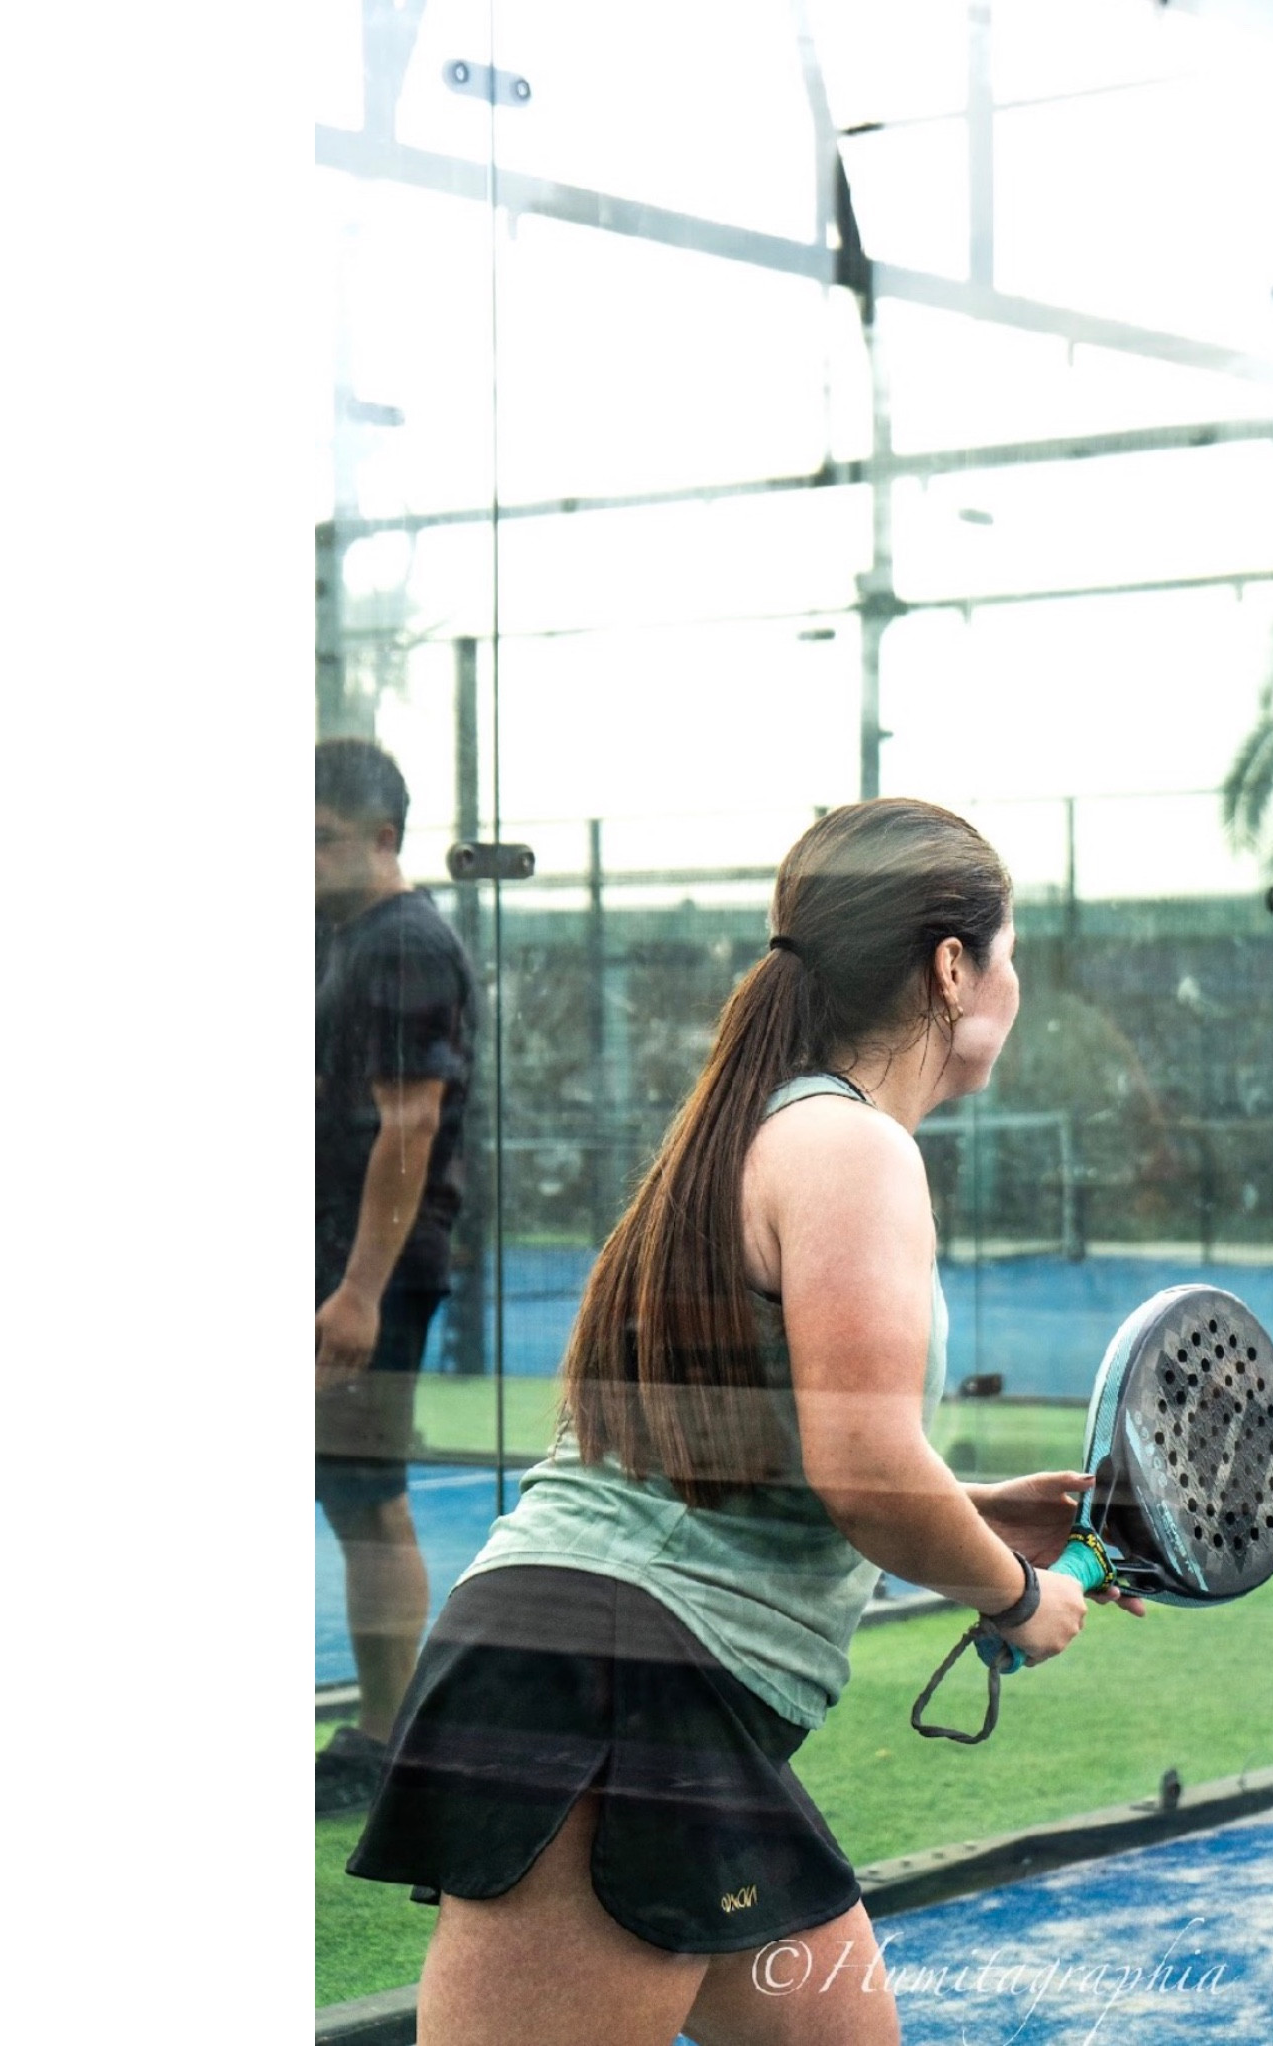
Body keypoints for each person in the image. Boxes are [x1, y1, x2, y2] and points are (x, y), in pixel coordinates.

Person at [346, 797, 1140, 2046]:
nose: (1017, 982)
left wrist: (977, 1515)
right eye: (1012, 952)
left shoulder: (768, 1128)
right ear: (951, 968)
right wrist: (1015, 1597)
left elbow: (757, 1451)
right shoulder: (851, 1148)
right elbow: (865, 1468)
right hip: (616, 1688)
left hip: (655, 1685)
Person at [315, 738, 478, 1811]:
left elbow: (411, 1125)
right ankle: (382, 1734)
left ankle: (386, 1741)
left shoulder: (407, 945)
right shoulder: (343, 938)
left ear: (383, 840)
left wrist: (359, 1291)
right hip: (336, 1262)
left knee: (370, 1500)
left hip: (369, 1272)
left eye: (320, 840)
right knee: (349, 1495)